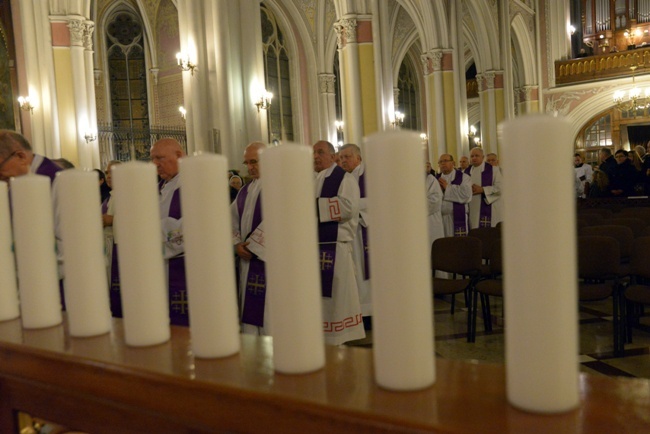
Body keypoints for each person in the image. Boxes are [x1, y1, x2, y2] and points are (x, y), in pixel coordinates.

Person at [313, 140, 365, 345]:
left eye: (320, 152)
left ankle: (338, 338)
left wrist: (313, 206)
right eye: (313, 153)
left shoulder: (344, 178)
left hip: (336, 247)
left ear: (332, 156)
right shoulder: (313, 178)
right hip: (314, 248)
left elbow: (348, 207)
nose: (315, 156)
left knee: (337, 298)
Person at [231, 141, 268, 335]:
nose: (250, 167)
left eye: (254, 161)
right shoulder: (244, 191)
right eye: (247, 163)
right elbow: (230, 220)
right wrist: (237, 244)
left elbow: (281, 219)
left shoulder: (278, 185)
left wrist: (253, 248)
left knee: (270, 312)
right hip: (247, 261)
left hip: (268, 262)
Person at [150, 138, 188, 326]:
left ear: (179, 156)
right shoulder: (160, 187)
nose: (155, 164)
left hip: (186, 267)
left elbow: (193, 227)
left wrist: (148, 232)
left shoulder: (195, 183)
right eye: (152, 159)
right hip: (159, 267)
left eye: (160, 158)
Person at [338, 143, 372, 327]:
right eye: (341, 157)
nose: (343, 161)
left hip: (367, 230)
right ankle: (357, 311)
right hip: (349, 232)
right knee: (354, 272)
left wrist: (352, 208)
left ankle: (370, 312)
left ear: (358, 158)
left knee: (368, 272)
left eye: (347, 157)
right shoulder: (342, 177)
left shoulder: (370, 175)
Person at [102, 160, 122, 317]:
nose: (108, 176)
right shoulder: (109, 197)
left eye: (112, 172)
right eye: (107, 173)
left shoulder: (126, 195)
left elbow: (135, 221)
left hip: (118, 249)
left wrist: (111, 220)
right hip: (107, 248)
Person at [465, 147, 502, 228]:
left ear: (483, 157)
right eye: (472, 156)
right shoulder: (466, 172)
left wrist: (483, 190)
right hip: (472, 209)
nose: (474, 158)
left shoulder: (493, 170)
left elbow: (500, 188)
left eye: (477, 155)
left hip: (490, 208)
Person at [436, 154, 472, 237]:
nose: (443, 163)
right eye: (440, 162)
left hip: (458, 217)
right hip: (440, 219)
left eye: (445, 161)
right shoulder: (435, 179)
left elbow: (466, 195)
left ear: (453, 163)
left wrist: (447, 188)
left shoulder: (464, 177)